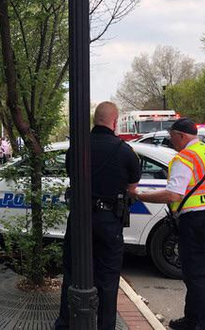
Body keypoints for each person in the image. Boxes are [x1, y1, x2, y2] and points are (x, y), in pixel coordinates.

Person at [55, 101, 141, 330]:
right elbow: (133, 188)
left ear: (95, 120)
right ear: (114, 121)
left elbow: (72, 175)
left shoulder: (76, 149)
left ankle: (65, 324)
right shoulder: (125, 151)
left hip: (80, 220)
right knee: (108, 280)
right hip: (109, 222)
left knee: (73, 272)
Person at [136, 118, 205, 330]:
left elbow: (173, 193)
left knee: (197, 277)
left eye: (171, 137)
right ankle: (191, 320)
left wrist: (141, 196)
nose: (171, 141)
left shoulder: (185, 157)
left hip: (196, 221)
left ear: (181, 136)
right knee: (199, 275)